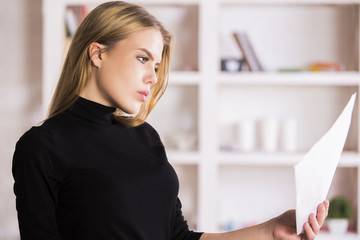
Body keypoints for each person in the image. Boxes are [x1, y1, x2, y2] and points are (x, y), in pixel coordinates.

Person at [12, 1, 328, 240]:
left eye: (158, 64)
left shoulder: (145, 136)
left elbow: (178, 237)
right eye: (142, 58)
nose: (153, 76)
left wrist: (271, 229)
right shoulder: (42, 147)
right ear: (97, 53)